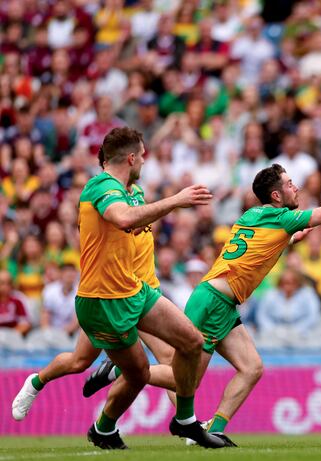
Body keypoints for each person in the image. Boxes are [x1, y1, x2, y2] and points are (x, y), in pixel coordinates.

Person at [84, 162, 321, 446]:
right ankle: (120, 371)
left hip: (222, 303)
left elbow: (262, 245)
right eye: (290, 183)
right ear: (276, 195)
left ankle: (214, 428)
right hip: (212, 302)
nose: (296, 187)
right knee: (184, 380)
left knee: (252, 368)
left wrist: (292, 237)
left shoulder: (255, 214)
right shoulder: (280, 218)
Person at [12, 127, 222, 450]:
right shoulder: (101, 187)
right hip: (104, 301)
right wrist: (176, 201)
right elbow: (123, 219)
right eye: (143, 156)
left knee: (192, 342)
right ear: (131, 158)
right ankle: (47, 387)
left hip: (136, 289)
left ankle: (185, 422)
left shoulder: (133, 192)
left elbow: (132, 229)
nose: (146, 161)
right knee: (106, 367)